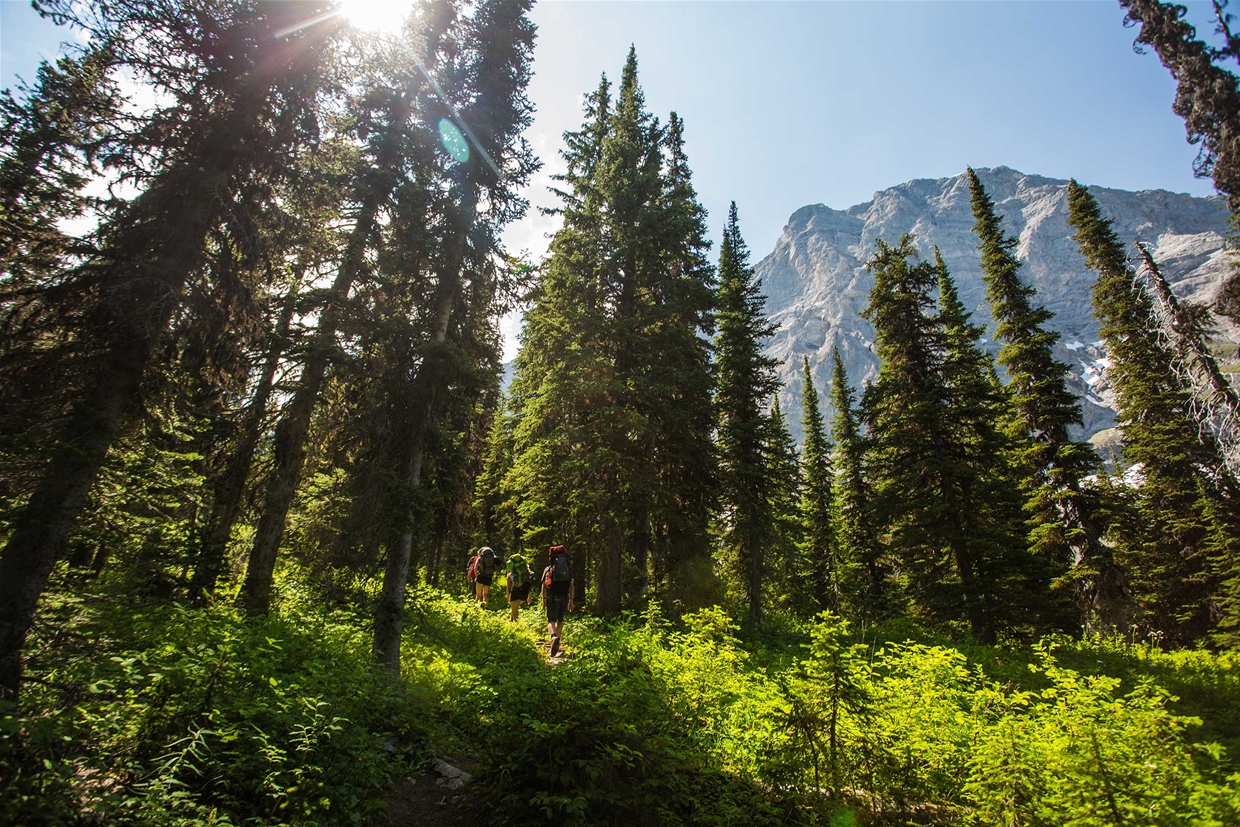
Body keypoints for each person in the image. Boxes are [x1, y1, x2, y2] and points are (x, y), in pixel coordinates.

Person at [540, 545, 574, 657]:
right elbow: (571, 586)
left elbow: (544, 586)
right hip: (564, 596)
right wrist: (571, 601)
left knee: (551, 621)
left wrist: (544, 600)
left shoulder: (548, 569)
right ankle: (557, 642)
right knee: (560, 620)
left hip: (552, 596)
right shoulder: (568, 570)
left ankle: (553, 637)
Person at [505, 553, 534, 622]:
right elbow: (529, 584)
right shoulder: (527, 572)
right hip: (524, 592)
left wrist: (508, 595)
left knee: (515, 610)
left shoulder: (510, 575)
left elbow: (508, 588)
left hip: (515, 591)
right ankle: (511, 619)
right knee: (515, 607)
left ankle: (516, 625)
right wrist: (529, 596)